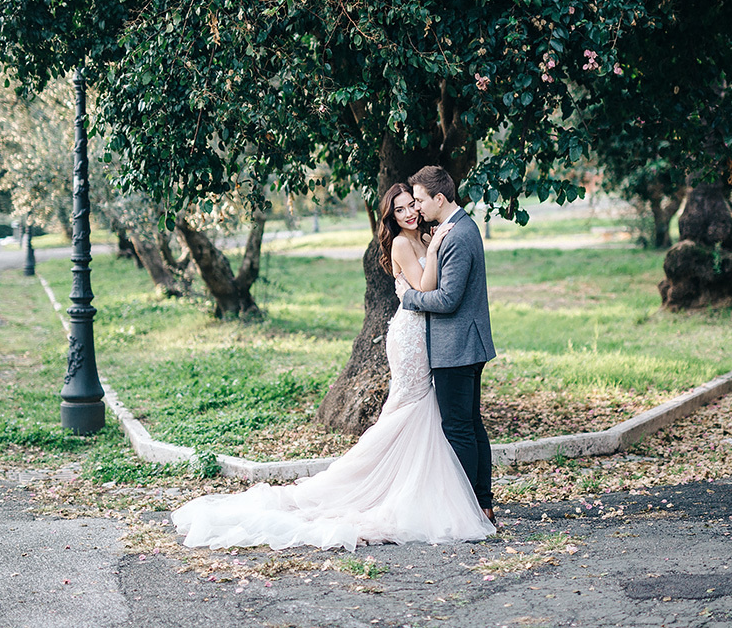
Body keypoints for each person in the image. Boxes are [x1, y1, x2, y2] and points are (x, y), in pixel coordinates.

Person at [171, 182, 495, 551]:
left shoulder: (424, 235)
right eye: (400, 209)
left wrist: (430, 249)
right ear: (390, 216)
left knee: (425, 410)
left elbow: (429, 288)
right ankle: (389, 480)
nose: (409, 213)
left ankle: (431, 486)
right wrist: (432, 253)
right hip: (410, 335)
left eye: (412, 205)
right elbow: (423, 286)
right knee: (409, 406)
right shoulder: (404, 244)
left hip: (429, 332)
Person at [395, 165, 497, 525]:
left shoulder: (456, 235)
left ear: (439, 198)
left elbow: (448, 299)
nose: (417, 207)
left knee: (458, 428)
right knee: (470, 425)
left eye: (420, 200)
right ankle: (482, 506)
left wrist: (408, 298)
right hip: (466, 342)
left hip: (456, 345)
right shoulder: (460, 228)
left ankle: (468, 511)